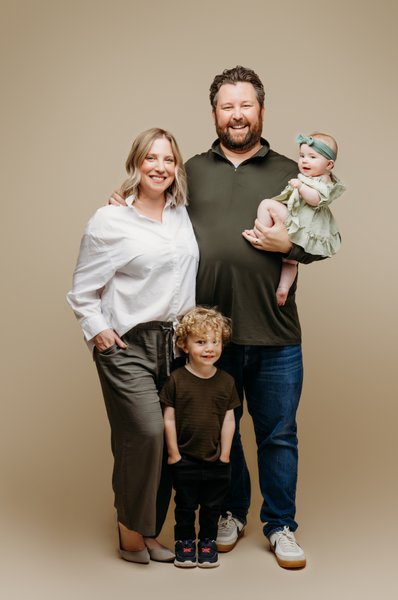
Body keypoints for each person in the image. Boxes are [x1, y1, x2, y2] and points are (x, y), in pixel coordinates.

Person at [110, 66, 328, 569]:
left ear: (261, 111)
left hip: (275, 333)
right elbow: (150, 204)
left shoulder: (290, 172)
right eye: (227, 106)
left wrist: (288, 245)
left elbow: (324, 236)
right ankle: (231, 512)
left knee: (278, 434)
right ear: (214, 112)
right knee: (217, 429)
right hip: (207, 337)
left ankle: (280, 525)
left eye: (245, 105)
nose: (236, 114)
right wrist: (120, 200)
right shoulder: (190, 170)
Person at [67, 128, 199, 564]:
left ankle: (149, 532)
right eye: (151, 158)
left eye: (168, 159)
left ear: (176, 167)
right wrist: (97, 329)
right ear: (136, 163)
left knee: (166, 438)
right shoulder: (110, 220)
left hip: (176, 343)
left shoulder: (182, 215)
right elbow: (83, 288)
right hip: (129, 344)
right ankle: (129, 531)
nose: (160, 167)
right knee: (142, 434)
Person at [160, 307, 240, 568]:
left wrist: (225, 454)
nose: (210, 348)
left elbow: (229, 419)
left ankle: (207, 542)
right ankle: (184, 543)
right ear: (184, 345)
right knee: (184, 506)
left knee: (211, 507)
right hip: (185, 459)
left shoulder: (226, 382)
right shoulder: (176, 380)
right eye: (201, 341)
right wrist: (174, 454)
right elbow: (168, 418)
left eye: (215, 341)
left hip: (216, 459)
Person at [248, 132, 345, 306]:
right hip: (299, 222)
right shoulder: (309, 176)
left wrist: (300, 186)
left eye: (312, 157)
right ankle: (283, 289)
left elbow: (315, 199)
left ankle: (260, 232)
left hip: (303, 222)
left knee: (266, 205)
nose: (305, 161)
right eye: (302, 156)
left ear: (329, 164)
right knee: (290, 261)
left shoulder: (324, 182)